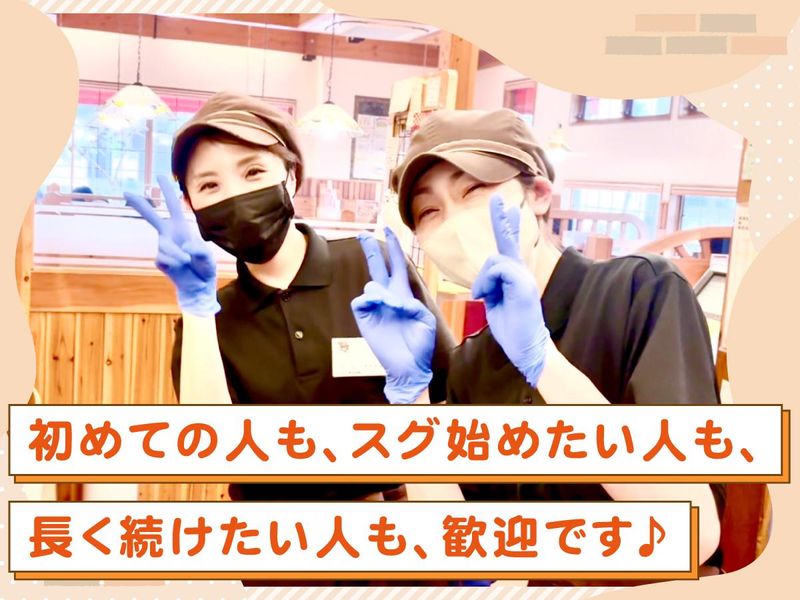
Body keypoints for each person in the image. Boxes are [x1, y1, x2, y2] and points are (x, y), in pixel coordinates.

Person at [351, 108, 726, 577]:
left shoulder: (640, 292)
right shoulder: (473, 360)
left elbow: (691, 531)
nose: (455, 221)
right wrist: (413, 402)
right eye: (430, 211)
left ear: (540, 194)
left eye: (474, 189)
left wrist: (543, 360)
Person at [124, 91, 457, 585]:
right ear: (192, 206)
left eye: (254, 172)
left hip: (396, 534)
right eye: (210, 185)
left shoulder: (374, 269)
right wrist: (195, 307)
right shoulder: (211, 318)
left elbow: (450, 397)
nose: (236, 195)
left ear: (291, 176)